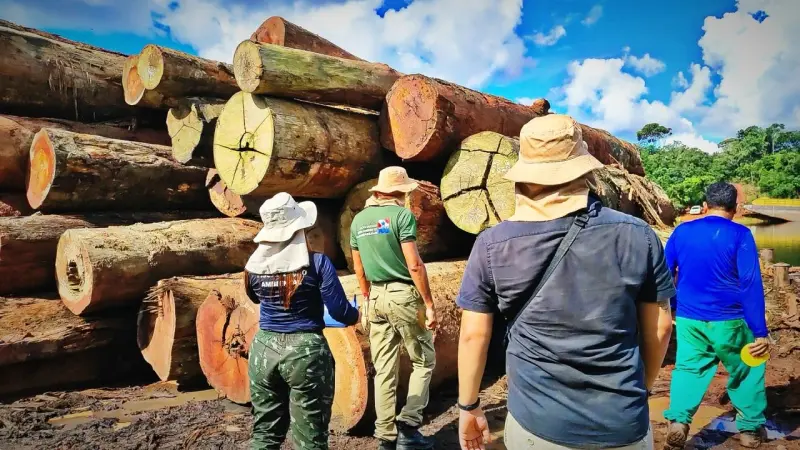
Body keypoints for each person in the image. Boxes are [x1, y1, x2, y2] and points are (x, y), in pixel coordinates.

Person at [455, 114, 675, 450]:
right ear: (584, 169)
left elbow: (473, 335)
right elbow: (661, 327)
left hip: (536, 427)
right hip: (622, 425)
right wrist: (640, 390)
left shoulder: (491, 244)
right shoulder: (638, 235)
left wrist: (468, 406)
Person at [245, 192, 359, 450]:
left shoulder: (253, 268)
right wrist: (356, 315)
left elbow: (254, 297)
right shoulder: (318, 263)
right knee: (311, 439)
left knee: (265, 434)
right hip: (305, 353)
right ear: (300, 229)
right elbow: (340, 311)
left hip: (263, 350)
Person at [663, 182, 770, 449]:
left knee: (689, 367)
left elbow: (664, 272)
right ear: (735, 209)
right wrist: (759, 331)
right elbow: (749, 283)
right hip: (731, 319)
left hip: (689, 319)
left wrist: (675, 304)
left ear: (706, 205)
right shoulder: (741, 234)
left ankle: (679, 420)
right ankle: (749, 431)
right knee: (747, 368)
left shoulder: (682, 231)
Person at [350, 166, 438, 450]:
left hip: (375, 297)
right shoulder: (401, 216)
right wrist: (428, 303)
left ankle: (385, 437)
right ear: (400, 192)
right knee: (423, 360)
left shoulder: (359, 221)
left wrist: (366, 298)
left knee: (384, 368)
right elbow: (414, 264)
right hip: (404, 297)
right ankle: (409, 426)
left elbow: (358, 267)